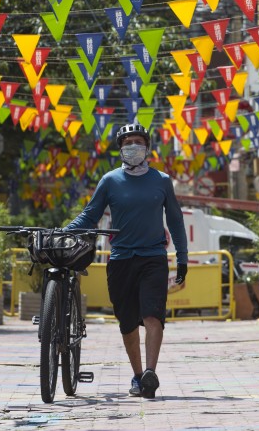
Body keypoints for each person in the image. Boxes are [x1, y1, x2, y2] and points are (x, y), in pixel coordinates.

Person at [65, 123, 188, 400]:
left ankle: (150, 373)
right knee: (128, 321)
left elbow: (175, 220)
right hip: (120, 259)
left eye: (138, 141)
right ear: (120, 149)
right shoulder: (110, 181)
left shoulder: (162, 181)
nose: (133, 146)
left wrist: (182, 257)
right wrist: (65, 231)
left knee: (153, 314)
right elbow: (90, 215)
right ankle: (138, 375)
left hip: (154, 257)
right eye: (127, 142)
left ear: (147, 147)